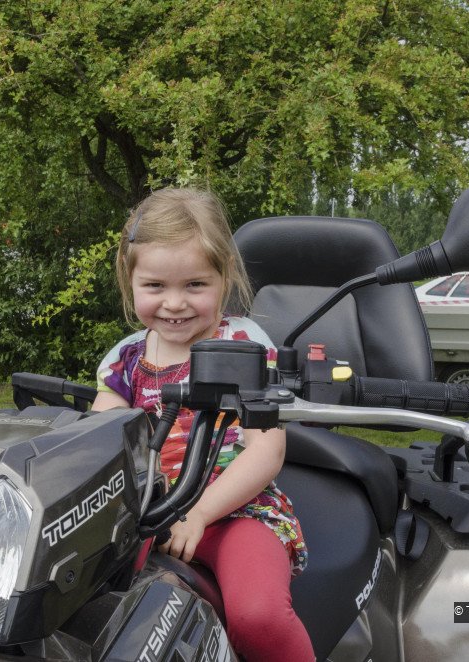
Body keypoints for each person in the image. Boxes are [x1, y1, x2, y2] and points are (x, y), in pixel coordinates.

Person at [92, 189, 314, 661]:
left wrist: (199, 512)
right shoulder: (124, 361)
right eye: (155, 287)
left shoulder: (243, 346)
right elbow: (101, 444)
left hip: (235, 512)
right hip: (146, 518)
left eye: (195, 285)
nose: (175, 303)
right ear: (129, 282)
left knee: (259, 615)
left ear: (224, 277)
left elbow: (266, 451)